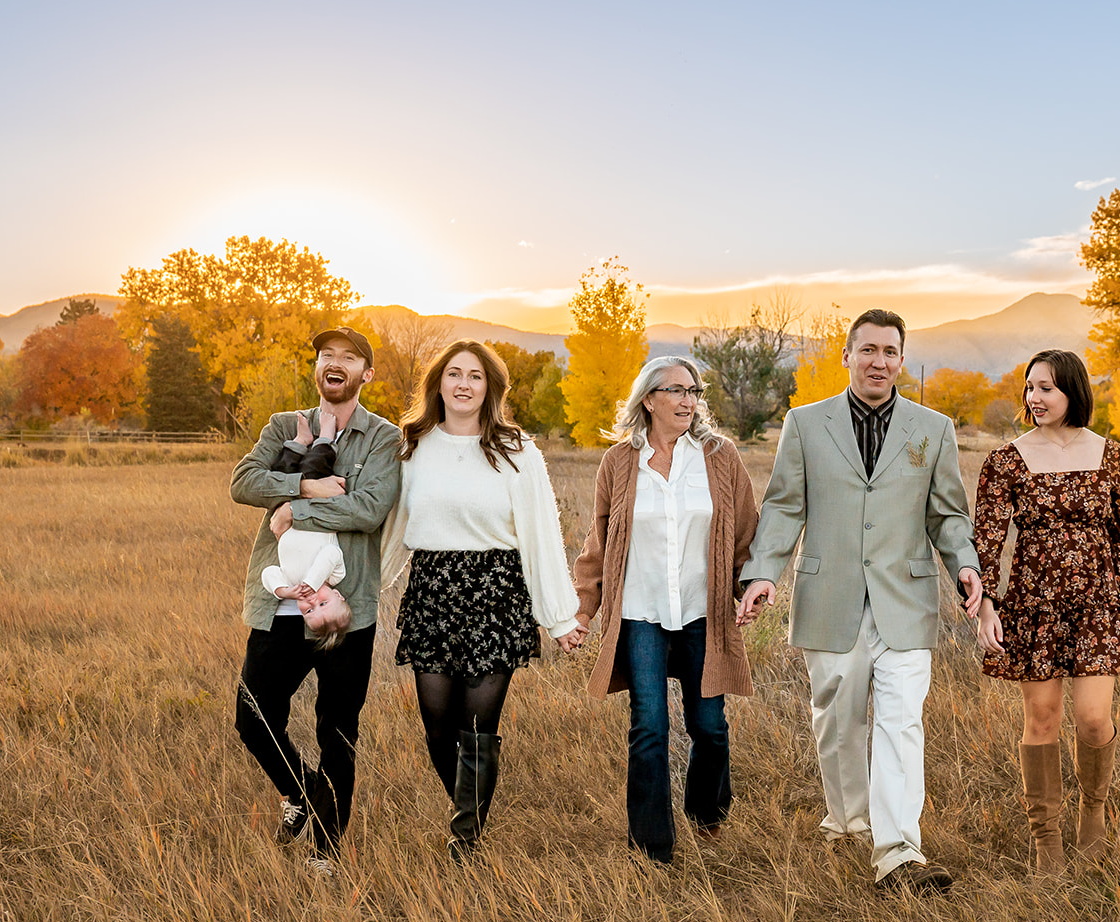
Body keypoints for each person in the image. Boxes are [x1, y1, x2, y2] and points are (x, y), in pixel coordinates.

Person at [738, 309, 984, 895]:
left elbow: (948, 514)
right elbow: (784, 506)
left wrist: (966, 565)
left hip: (906, 598)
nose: (879, 361)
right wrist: (763, 572)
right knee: (839, 719)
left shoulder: (933, 428)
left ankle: (899, 852)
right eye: (868, 350)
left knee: (901, 722)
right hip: (830, 593)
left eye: (890, 351)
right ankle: (849, 823)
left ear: (901, 359)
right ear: (847, 356)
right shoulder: (805, 423)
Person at [379, 340, 582, 860]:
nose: (464, 384)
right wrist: (357, 587)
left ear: (490, 388)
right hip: (433, 591)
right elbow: (395, 527)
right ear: (438, 383)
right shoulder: (413, 446)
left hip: (496, 593)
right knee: (437, 726)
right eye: (454, 373)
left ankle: (466, 837)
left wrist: (560, 617)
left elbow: (541, 534)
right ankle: (467, 805)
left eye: (475, 375)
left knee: (476, 726)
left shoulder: (517, 451)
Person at [970, 349, 1120, 875]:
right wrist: (987, 604)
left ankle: (1092, 817)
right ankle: (1046, 843)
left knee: (1095, 720)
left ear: (1073, 390)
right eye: (1029, 387)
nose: (1034, 398)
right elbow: (986, 541)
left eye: (1046, 388)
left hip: (1099, 602)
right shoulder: (1007, 460)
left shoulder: (1112, 456)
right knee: (1042, 719)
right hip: (1035, 603)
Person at [571, 356, 759, 864]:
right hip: (640, 613)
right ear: (649, 399)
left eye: (694, 391)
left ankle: (706, 814)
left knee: (709, 726)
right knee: (649, 726)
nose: (687, 400)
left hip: (703, 611)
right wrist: (584, 608)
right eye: (675, 390)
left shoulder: (720, 456)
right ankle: (652, 845)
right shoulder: (619, 462)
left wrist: (750, 588)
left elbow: (746, 531)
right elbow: (599, 541)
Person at [230, 326, 401, 873]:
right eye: (327, 354)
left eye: (348, 357)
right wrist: (307, 486)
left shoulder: (383, 438)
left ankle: (326, 853)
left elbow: (369, 508)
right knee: (254, 717)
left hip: (342, 611)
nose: (335, 362)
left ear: (365, 374)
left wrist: (294, 509)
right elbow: (244, 482)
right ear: (317, 367)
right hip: (281, 603)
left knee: (337, 731)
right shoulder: (285, 425)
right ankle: (300, 792)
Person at [263, 409, 351, 650]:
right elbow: (330, 554)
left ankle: (300, 441)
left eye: (309, 611)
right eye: (323, 604)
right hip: (313, 505)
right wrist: (312, 581)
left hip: (286, 510)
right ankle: (326, 435)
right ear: (338, 595)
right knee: (314, 468)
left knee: (280, 472)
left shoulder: (292, 583)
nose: (312, 602)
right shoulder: (334, 576)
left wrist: (283, 591)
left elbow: (269, 572)